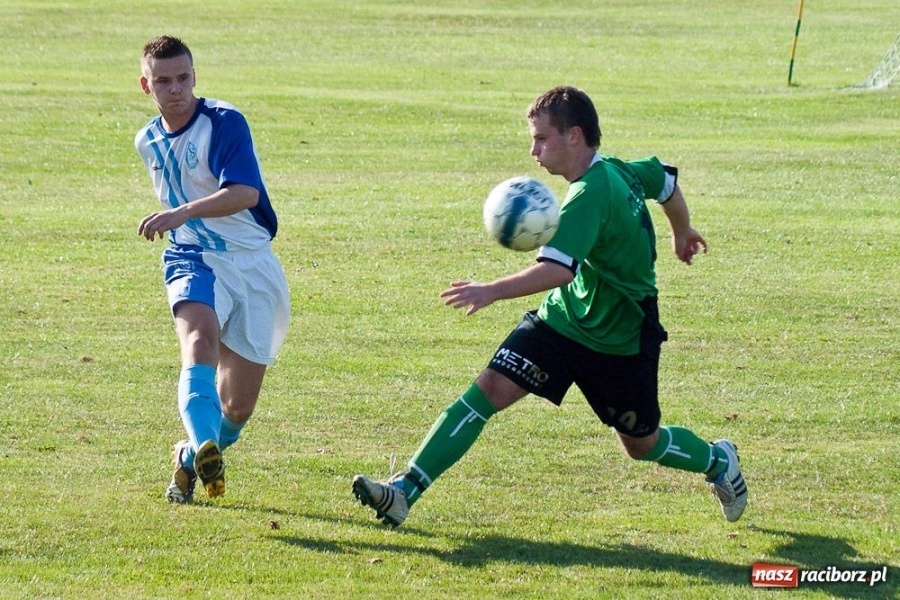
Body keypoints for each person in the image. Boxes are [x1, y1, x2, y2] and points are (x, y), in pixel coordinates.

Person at [353, 85, 747, 527]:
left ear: (574, 135)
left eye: (541, 138)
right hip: (563, 321)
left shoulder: (590, 193)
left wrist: (490, 291)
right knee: (487, 391)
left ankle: (718, 461)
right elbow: (667, 182)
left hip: (620, 338)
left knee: (642, 444)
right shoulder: (620, 169)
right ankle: (404, 491)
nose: (533, 149)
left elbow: (560, 271)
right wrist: (682, 230)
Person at [135, 35, 290, 503]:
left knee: (238, 407)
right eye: (164, 81)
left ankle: (190, 457)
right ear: (147, 85)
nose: (175, 88)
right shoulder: (147, 140)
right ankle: (204, 444)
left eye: (183, 78)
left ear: (194, 77)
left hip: (253, 264)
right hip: (193, 257)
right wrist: (184, 223)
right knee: (198, 340)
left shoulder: (224, 122)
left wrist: (182, 212)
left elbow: (245, 194)